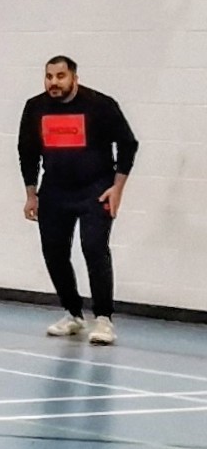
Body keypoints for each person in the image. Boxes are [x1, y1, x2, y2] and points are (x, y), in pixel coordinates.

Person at [20, 55, 136, 344]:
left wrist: (117, 188)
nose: (54, 83)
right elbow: (27, 151)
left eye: (60, 76)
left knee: (94, 248)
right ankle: (73, 314)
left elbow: (128, 143)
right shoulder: (35, 108)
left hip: (95, 189)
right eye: (49, 77)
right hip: (55, 192)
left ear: (74, 78)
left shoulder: (100, 105)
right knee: (54, 252)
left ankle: (104, 319)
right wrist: (31, 194)